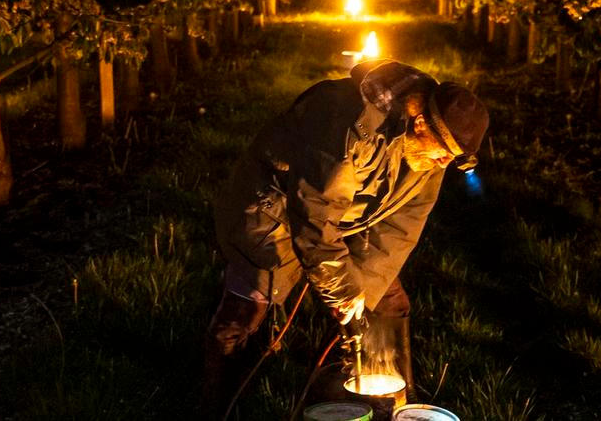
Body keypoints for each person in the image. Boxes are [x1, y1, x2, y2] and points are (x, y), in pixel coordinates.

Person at [201, 59, 489, 417]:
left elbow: (401, 227)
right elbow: (315, 216)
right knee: (245, 310)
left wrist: (361, 297)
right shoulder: (346, 119)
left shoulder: (429, 155)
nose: (444, 163)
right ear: (419, 123)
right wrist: (342, 292)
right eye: (444, 153)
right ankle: (218, 404)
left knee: (387, 303)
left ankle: (375, 400)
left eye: (453, 158)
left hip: (350, 219)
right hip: (274, 207)